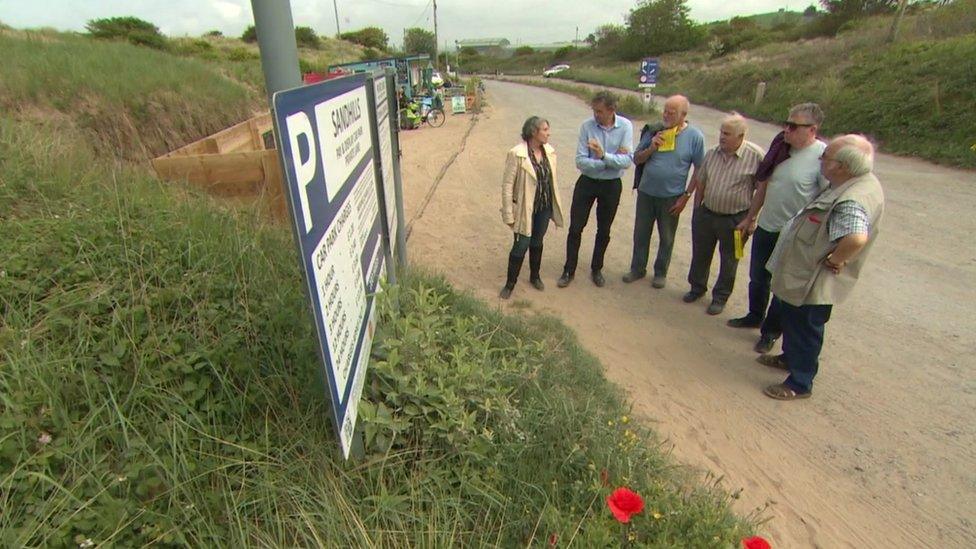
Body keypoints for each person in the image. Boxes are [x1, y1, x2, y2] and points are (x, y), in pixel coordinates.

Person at [759, 135, 885, 400]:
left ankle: (799, 383)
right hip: (803, 272)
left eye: (825, 158)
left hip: (812, 276)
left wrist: (836, 259)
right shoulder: (850, 182)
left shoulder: (851, 199)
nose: (820, 160)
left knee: (805, 327)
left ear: (842, 166)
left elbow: (856, 237)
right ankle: (789, 359)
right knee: (794, 322)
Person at [727, 103, 828, 354]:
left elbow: (826, 199)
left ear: (812, 129)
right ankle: (754, 315)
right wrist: (751, 218)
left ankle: (770, 332)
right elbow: (763, 186)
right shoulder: (780, 149)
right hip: (767, 226)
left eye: (793, 126)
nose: (786, 129)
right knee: (758, 277)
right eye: (786, 123)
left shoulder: (822, 158)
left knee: (781, 287)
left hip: (793, 235)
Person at [680, 113, 765, 315]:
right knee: (700, 254)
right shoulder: (711, 153)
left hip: (737, 220)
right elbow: (701, 181)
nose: (722, 137)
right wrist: (697, 209)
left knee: (731, 259)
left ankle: (720, 297)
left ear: (741, 135)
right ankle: (697, 288)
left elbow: (761, 191)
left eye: (727, 134)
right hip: (707, 214)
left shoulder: (756, 157)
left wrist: (751, 218)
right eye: (721, 132)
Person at [624, 95, 705, 289]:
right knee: (641, 233)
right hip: (646, 192)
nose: (666, 115)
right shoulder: (654, 130)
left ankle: (660, 272)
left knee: (666, 237)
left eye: (672, 112)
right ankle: (637, 268)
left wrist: (686, 196)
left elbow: (699, 169)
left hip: (672, 196)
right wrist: (652, 147)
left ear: (684, 115)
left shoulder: (695, 137)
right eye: (665, 111)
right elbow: (636, 159)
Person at [557, 91, 634, 288]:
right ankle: (568, 269)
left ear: (611, 110)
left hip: (611, 185)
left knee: (604, 229)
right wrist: (608, 159)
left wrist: (602, 156)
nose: (596, 115)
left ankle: (597, 268)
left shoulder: (625, 127)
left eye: (599, 111)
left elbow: (626, 162)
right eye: (594, 111)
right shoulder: (587, 127)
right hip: (587, 183)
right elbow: (581, 162)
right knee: (575, 227)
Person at [499, 116, 565, 298]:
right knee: (521, 244)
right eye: (544, 129)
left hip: (543, 208)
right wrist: (508, 214)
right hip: (524, 209)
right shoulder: (517, 154)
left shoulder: (549, 152)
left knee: (537, 241)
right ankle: (510, 284)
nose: (548, 133)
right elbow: (507, 186)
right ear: (533, 132)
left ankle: (535, 276)